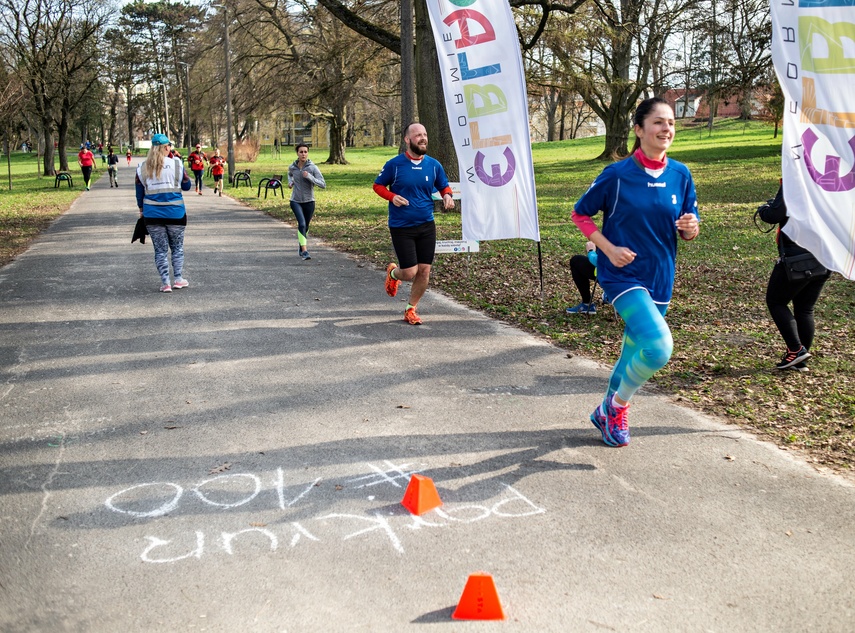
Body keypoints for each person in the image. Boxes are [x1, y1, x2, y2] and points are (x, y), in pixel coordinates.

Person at [571, 97, 700, 447]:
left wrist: (691, 226)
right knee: (658, 348)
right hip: (622, 275)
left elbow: (688, 228)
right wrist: (608, 249)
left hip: (661, 275)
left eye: (671, 122)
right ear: (639, 129)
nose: (666, 129)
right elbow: (580, 215)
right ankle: (617, 407)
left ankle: (604, 413)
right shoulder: (617, 175)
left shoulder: (681, 175)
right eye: (658, 122)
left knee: (632, 352)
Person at [373, 122, 455, 325]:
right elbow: (378, 185)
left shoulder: (434, 165)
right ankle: (393, 273)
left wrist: (447, 196)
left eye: (425, 134)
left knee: (425, 270)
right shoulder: (395, 164)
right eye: (418, 135)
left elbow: (443, 186)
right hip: (401, 226)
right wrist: (392, 197)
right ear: (407, 140)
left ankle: (411, 309)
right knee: (409, 272)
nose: (423, 138)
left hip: (426, 224)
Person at [757, 183, 831, 371]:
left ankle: (796, 350)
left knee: (775, 301)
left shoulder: (795, 177)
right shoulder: (826, 179)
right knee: (805, 308)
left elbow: (775, 215)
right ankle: (800, 360)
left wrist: (764, 209)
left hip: (796, 259)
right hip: (824, 256)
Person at [135, 133, 192, 293]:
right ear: (166, 147)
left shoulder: (141, 168)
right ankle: (179, 279)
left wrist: (141, 209)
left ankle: (166, 282)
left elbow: (139, 193)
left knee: (160, 250)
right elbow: (187, 186)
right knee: (177, 248)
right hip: (176, 213)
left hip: (152, 215)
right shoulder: (177, 164)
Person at [288, 143, 326, 260]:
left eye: (305, 152)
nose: (303, 154)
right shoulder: (292, 167)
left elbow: (323, 184)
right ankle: (305, 251)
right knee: (302, 224)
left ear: (307, 153)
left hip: (309, 201)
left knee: (306, 226)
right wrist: (291, 182)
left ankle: (301, 245)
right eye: (301, 152)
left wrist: (309, 177)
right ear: (297, 153)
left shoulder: (312, 167)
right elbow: (290, 174)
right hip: (295, 201)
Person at [565, 241, 600, 315]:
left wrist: (591, 251)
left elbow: (599, 262)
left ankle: (587, 304)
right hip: (628, 280)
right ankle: (608, 296)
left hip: (612, 278)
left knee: (576, 261)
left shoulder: (616, 234)